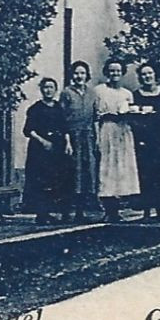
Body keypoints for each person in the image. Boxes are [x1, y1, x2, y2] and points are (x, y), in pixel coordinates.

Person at [21, 77, 72, 225]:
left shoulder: (58, 107)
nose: (48, 90)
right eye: (46, 87)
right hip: (40, 150)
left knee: (57, 180)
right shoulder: (35, 108)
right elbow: (28, 130)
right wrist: (43, 141)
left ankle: (57, 212)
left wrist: (68, 144)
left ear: (55, 90)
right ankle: (42, 214)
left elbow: (65, 127)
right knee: (41, 181)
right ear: (41, 90)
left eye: (51, 87)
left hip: (57, 148)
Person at [130, 64, 160, 220]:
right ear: (140, 77)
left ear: (155, 75)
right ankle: (146, 213)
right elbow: (133, 117)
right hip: (143, 140)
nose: (147, 77)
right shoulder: (136, 95)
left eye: (150, 73)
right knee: (145, 174)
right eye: (144, 74)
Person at [94, 60, 141, 221]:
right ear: (107, 72)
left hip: (123, 131)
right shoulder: (99, 91)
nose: (115, 74)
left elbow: (131, 112)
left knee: (121, 168)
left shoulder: (127, 93)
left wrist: (128, 115)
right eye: (112, 71)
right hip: (107, 129)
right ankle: (108, 209)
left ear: (122, 73)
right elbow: (95, 115)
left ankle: (117, 209)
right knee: (106, 168)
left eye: (118, 71)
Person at [60, 61, 99, 222]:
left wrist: (96, 139)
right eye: (76, 73)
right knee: (71, 173)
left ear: (87, 75)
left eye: (82, 73)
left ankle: (81, 211)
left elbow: (96, 116)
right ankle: (67, 211)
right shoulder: (66, 93)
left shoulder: (92, 93)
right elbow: (62, 119)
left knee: (86, 173)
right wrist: (67, 141)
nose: (79, 76)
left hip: (88, 136)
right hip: (72, 137)